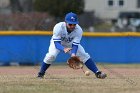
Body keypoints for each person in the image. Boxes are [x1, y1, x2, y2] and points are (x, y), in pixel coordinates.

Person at [37, 12, 107, 79]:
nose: (72, 26)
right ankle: (41, 73)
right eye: (70, 24)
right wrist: (63, 49)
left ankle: (97, 73)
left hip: (70, 43)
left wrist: (73, 54)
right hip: (58, 42)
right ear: (65, 22)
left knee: (84, 55)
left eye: (74, 24)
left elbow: (75, 45)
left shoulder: (79, 30)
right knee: (51, 55)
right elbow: (56, 44)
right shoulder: (58, 27)